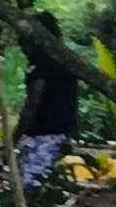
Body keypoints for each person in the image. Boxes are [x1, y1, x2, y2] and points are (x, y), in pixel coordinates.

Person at [16, 46, 81, 188]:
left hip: (44, 134)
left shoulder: (42, 66)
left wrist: (15, 136)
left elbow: (32, 103)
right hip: (60, 132)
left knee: (30, 184)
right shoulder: (66, 62)